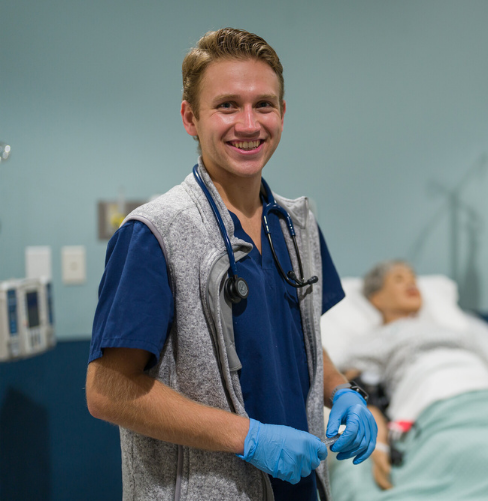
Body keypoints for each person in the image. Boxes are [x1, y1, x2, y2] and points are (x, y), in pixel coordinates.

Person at [85, 28, 377, 501]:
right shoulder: (152, 235)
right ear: (189, 118)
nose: (248, 123)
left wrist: (343, 392)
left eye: (264, 105)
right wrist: (249, 438)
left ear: (283, 114)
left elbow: (292, 342)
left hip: (300, 487)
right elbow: (107, 392)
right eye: (226, 106)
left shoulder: (296, 225)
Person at [342, 260, 488, 490]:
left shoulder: (455, 331)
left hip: (487, 395)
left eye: (413, 278)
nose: (411, 283)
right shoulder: (372, 340)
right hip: (434, 400)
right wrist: (380, 443)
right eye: (398, 279)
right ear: (377, 299)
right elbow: (361, 392)